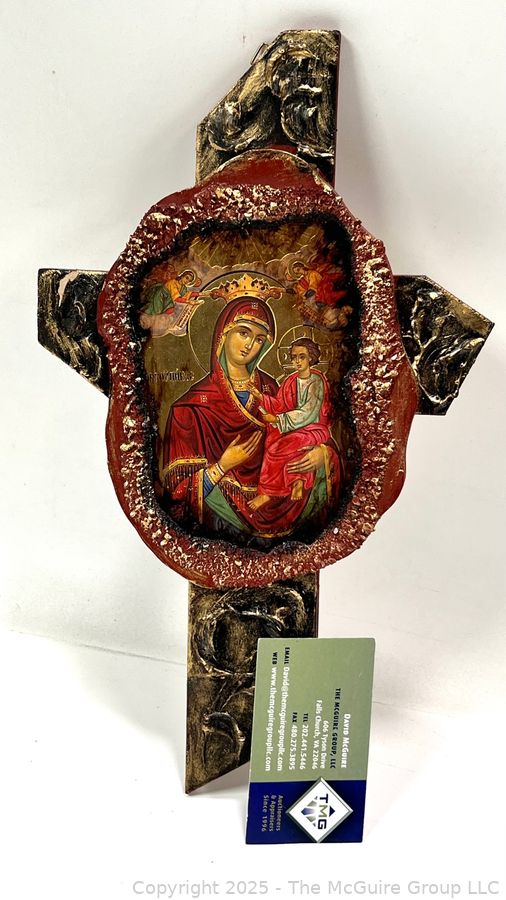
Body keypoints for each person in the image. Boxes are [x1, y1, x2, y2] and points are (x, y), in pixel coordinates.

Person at [162, 295, 340, 540]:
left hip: (283, 492)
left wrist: (322, 454)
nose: (249, 345)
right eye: (243, 333)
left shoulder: (272, 388)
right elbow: (177, 495)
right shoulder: (189, 409)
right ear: (223, 335)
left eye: (258, 339)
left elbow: (306, 427)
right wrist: (222, 466)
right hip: (224, 515)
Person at [247, 338, 335, 510]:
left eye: (302, 357)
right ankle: (295, 481)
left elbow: (308, 413)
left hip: (314, 429)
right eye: (294, 357)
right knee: (274, 443)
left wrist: (278, 420)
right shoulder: (290, 381)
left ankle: (274, 490)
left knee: (281, 448)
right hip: (293, 427)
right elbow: (280, 405)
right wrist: (260, 396)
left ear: (311, 358)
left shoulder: (316, 381)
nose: (297, 361)